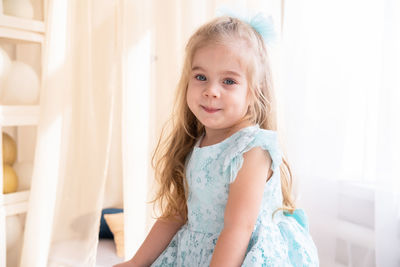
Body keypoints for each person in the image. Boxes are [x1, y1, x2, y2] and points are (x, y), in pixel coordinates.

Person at [115, 14, 319, 267]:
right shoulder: (195, 143)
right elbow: (176, 215)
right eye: (201, 77)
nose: (211, 90)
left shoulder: (252, 150)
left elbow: (238, 229)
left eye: (229, 81)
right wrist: (135, 263)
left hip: (238, 255)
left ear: (253, 92)